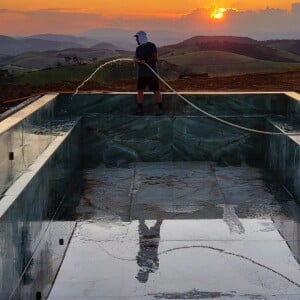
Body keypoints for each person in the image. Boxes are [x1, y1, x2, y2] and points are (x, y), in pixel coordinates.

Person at [134, 30, 163, 115]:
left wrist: (145, 61)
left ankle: (160, 109)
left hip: (151, 73)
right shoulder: (138, 48)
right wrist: (136, 60)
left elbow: (155, 58)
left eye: (137, 38)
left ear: (141, 38)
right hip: (142, 74)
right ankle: (140, 109)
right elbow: (137, 58)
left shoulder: (152, 46)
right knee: (140, 91)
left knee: (156, 91)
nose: (136, 40)